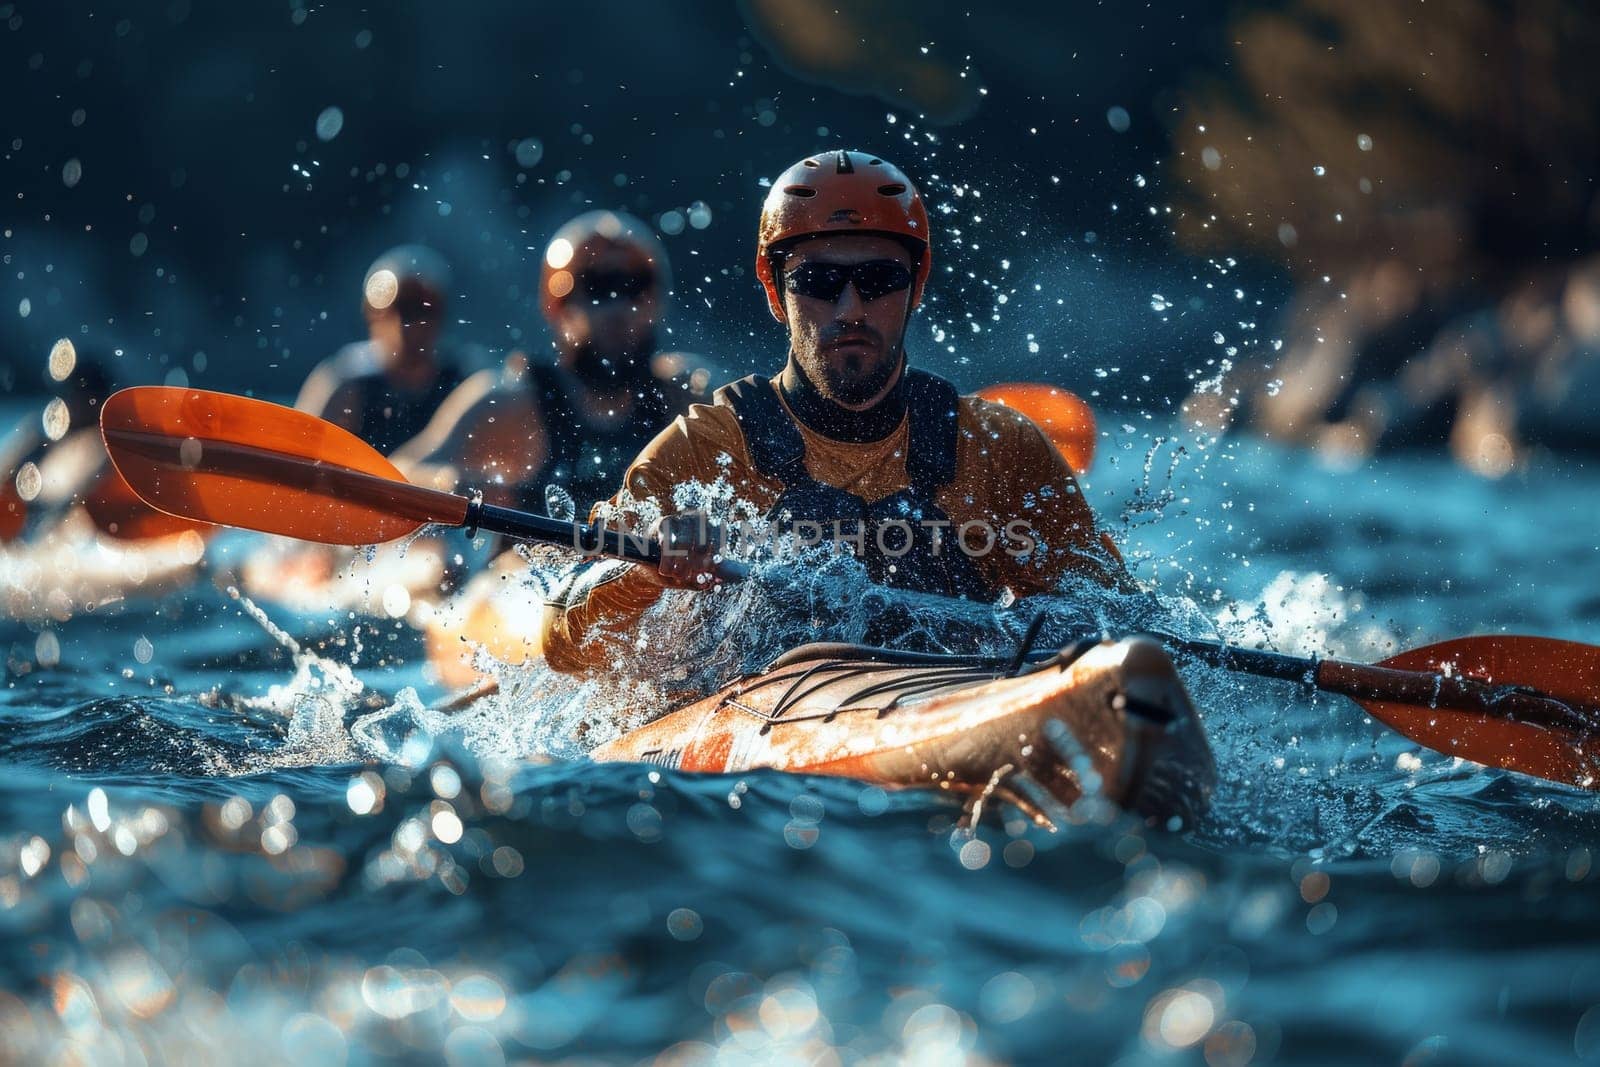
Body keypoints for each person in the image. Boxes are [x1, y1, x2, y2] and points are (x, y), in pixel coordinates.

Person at [539, 150, 1128, 675]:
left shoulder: (1000, 449)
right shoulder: (709, 449)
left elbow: (1113, 614)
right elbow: (560, 637)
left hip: (957, 700)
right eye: (818, 281)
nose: (850, 308)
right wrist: (644, 572)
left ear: (916, 286)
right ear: (775, 293)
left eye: (878, 280)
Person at [394, 210, 707, 517]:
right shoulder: (512, 404)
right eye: (598, 286)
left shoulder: (687, 396)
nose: (619, 307)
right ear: (559, 306)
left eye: (634, 286)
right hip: (524, 566)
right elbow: (400, 476)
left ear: (655, 301)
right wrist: (453, 484)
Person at [294, 245, 468, 456]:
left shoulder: (461, 383)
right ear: (371, 314)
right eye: (398, 308)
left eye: (421, 309)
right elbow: (302, 463)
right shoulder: (346, 383)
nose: (406, 323)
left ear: (440, 316)